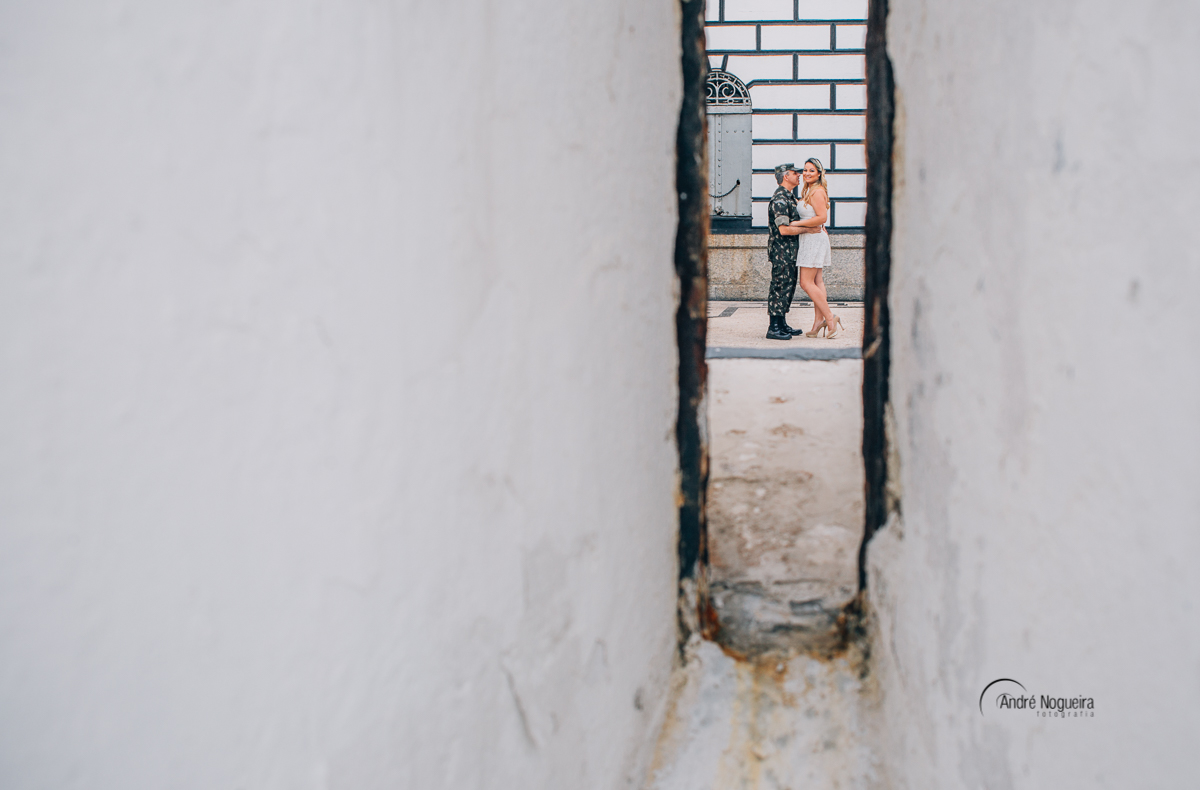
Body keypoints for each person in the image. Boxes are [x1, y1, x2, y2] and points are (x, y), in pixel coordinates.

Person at [787, 158, 843, 339]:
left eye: (811, 170)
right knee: (818, 281)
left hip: (813, 239)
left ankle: (830, 317)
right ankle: (818, 322)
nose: (806, 173)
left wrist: (797, 223)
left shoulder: (817, 191)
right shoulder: (809, 190)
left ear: (819, 173)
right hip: (811, 238)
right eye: (805, 170)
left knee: (806, 282)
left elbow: (822, 218)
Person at [765, 163, 821, 340]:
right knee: (779, 286)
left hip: (789, 252)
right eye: (795, 173)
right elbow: (784, 230)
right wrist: (808, 230)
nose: (799, 175)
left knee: (788, 286)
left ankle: (781, 323)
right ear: (785, 176)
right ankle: (773, 327)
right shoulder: (780, 200)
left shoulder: (789, 198)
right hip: (782, 252)